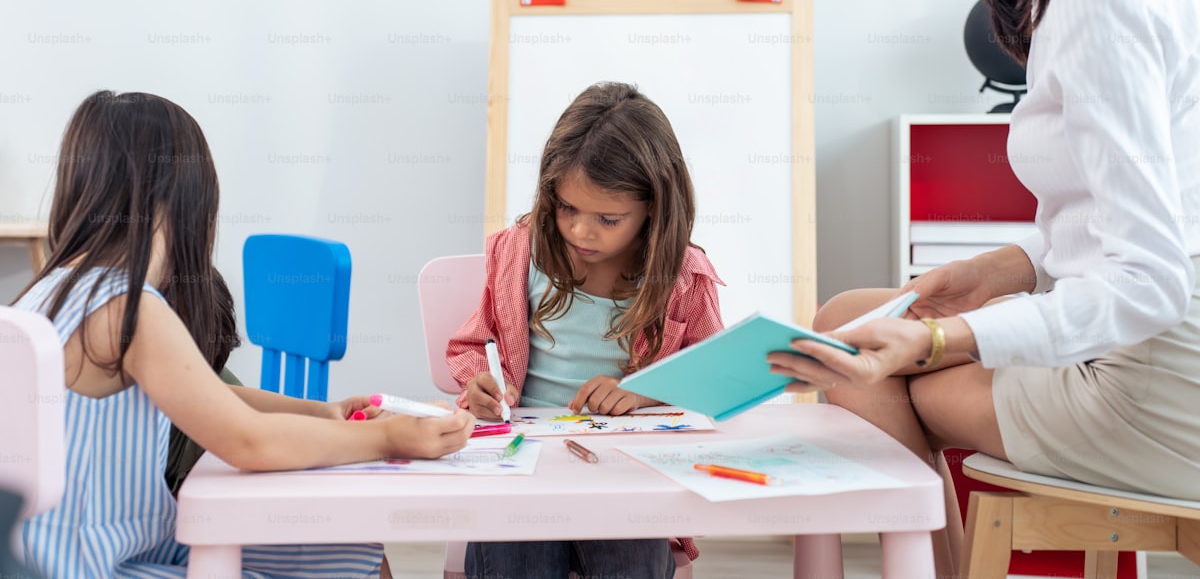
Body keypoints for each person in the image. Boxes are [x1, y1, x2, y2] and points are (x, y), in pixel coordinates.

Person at [766, 0, 1200, 577]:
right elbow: (1144, 208)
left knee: (858, 371)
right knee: (843, 319)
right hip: (1147, 337)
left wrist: (938, 338)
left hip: (1159, 383)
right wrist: (1001, 270)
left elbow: (1150, 285)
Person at [16, 91, 475, 579]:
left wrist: (324, 412)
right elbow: (248, 442)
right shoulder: (126, 308)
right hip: (99, 565)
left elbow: (214, 397)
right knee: (351, 559)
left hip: (88, 548)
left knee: (351, 550)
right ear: (184, 200)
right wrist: (388, 438)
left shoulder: (53, 292)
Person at [446, 81, 724, 579]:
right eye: (567, 208)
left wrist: (644, 392)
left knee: (631, 552)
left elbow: (714, 377)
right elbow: (472, 345)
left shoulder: (684, 276)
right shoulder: (518, 252)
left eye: (608, 218)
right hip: (523, 461)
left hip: (626, 466)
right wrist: (480, 385)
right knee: (515, 553)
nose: (580, 231)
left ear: (655, 208)